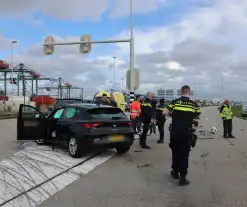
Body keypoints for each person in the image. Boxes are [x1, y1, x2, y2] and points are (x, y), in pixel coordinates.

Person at [162, 85, 201, 186]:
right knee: (184, 153)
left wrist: (174, 115)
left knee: (175, 151)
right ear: (189, 92)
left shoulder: (174, 102)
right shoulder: (194, 104)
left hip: (175, 131)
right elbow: (198, 116)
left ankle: (175, 172)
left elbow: (164, 112)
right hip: (186, 132)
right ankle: (183, 177)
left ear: (181, 92)